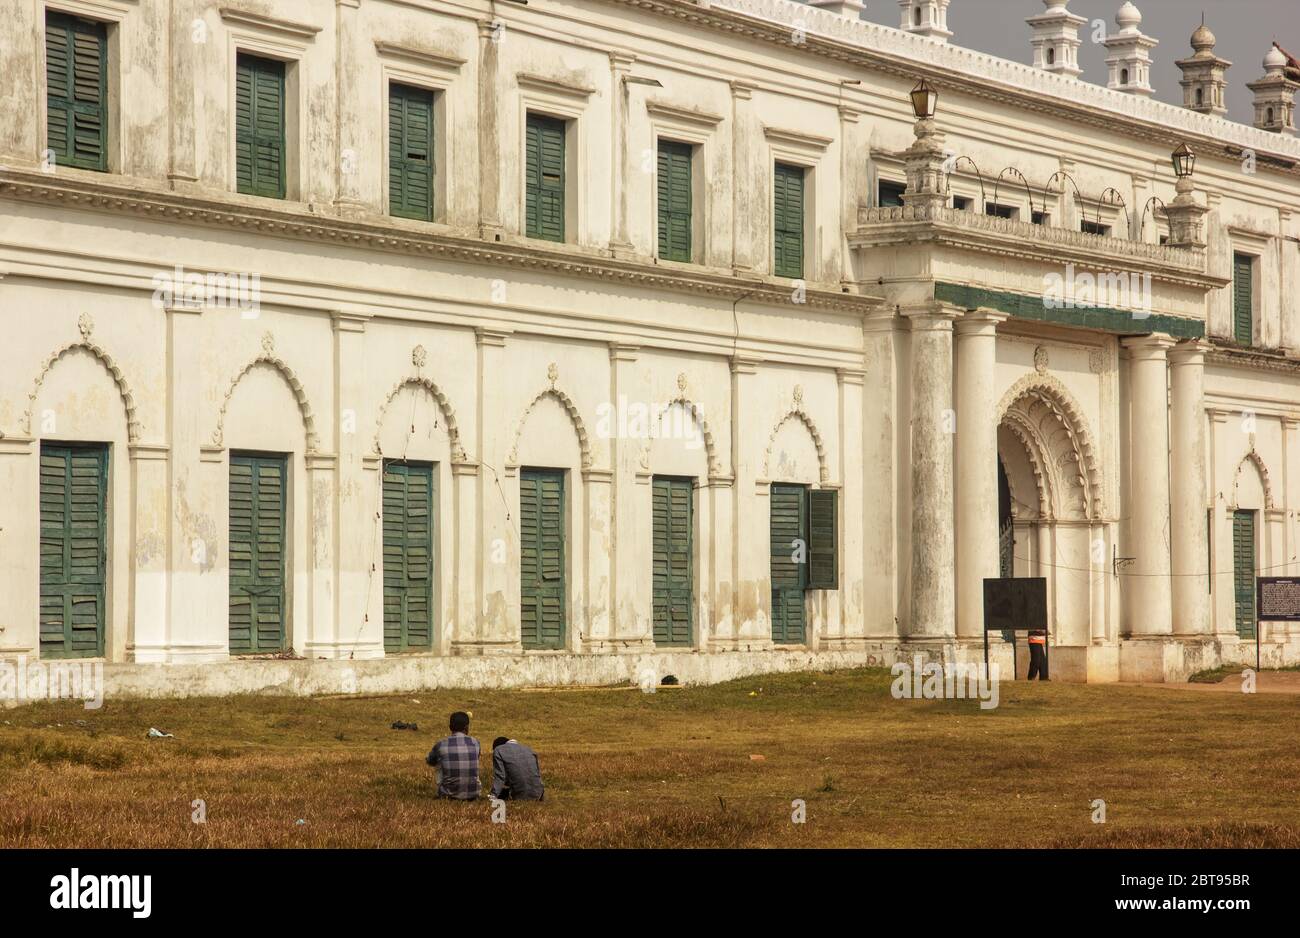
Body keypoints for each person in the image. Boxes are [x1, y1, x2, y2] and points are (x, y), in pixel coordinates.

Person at [426, 711, 481, 800]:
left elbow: (430, 761)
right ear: (467, 727)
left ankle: (444, 791)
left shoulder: (441, 744)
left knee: (439, 762)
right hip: (473, 795)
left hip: (448, 795)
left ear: (450, 727)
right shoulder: (475, 743)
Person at [491, 736, 545, 801]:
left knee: (502, 793)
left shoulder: (498, 750)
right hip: (539, 794)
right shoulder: (529, 749)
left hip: (520, 796)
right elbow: (537, 774)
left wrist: (493, 795)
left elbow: (500, 777)